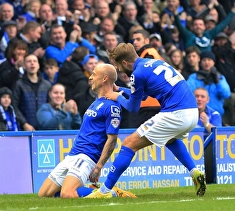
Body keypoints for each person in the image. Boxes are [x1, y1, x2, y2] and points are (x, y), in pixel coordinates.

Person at [86, 43, 206, 198]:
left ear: (124, 62)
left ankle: (104, 191)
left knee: (129, 143)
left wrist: (117, 96)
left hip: (176, 113)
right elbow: (142, 95)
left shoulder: (137, 74)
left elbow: (133, 107)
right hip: (192, 112)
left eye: (118, 66)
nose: (119, 70)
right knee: (169, 139)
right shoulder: (155, 63)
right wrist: (121, 90)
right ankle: (194, 172)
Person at [38, 64, 135, 198]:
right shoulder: (96, 101)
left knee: (67, 193)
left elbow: (112, 140)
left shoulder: (112, 106)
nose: (90, 77)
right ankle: (92, 190)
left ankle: (112, 193)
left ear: (105, 78)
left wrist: (98, 166)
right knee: (44, 194)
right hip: (72, 154)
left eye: (94, 74)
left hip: (87, 156)